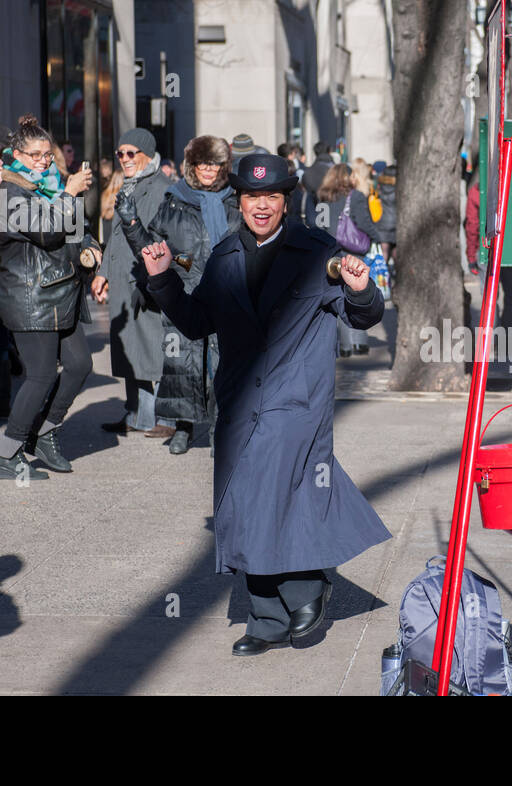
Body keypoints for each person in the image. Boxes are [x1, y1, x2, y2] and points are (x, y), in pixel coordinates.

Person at [143, 152, 390, 656]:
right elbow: (196, 322)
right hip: (238, 398)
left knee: (274, 491)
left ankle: (301, 589)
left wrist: (363, 290)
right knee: (245, 500)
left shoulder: (316, 251)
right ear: (239, 200)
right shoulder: (225, 255)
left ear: (286, 201)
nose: (261, 206)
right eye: (252, 196)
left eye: (271, 197)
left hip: (294, 399)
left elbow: (360, 316)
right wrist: (164, 279)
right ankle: (269, 616)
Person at [0, 114, 99, 478]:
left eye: (47, 155)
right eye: (35, 155)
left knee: (81, 364)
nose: (43, 161)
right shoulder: (9, 192)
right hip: (29, 297)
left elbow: (71, 230)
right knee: (40, 376)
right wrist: (69, 193)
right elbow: (48, 231)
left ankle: (45, 431)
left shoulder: (43, 188)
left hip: (60, 291)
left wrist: (90, 245)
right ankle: (7, 453)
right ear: (17, 154)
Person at [120, 135, 240, 454]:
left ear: (223, 166)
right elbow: (157, 248)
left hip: (227, 294)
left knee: (223, 364)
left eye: (214, 163)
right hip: (185, 291)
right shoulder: (175, 199)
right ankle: (182, 428)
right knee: (181, 363)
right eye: (201, 163)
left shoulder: (236, 201)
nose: (207, 170)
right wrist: (131, 223)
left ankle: (219, 428)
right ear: (191, 166)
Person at [94, 128, 172, 435]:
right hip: (124, 278)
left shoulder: (159, 187)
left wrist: (149, 279)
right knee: (130, 347)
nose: (124, 159)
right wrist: (102, 273)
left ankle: (164, 417)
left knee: (154, 348)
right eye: (120, 153)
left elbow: (157, 238)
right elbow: (116, 235)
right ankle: (137, 414)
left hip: (145, 279)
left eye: (131, 153)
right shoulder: (130, 184)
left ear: (147, 155)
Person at [317, 163, 382, 356]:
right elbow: (363, 222)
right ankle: (359, 343)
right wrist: (376, 237)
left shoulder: (323, 196)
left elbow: (320, 224)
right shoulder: (355, 196)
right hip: (353, 252)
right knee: (357, 292)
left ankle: (344, 346)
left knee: (339, 296)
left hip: (330, 252)